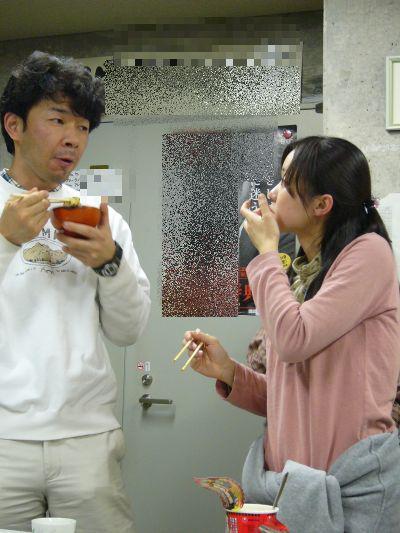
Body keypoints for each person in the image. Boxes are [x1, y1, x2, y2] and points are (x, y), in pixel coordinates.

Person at [184, 136, 400, 531]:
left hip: (350, 485)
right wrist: (228, 371)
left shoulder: (368, 253)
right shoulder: (303, 274)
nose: (273, 193)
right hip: (291, 487)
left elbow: (292, 340)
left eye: (286, 183)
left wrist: (267, 253)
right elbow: (290, 397)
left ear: (321, 205)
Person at [0, 51, 150, 533]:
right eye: (58, 120)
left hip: (87, 436)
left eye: (83, 127)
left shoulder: (103, 219)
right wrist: (5, 242)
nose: (73, 139)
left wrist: (110, 262)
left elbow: (128, 330)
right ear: (14, 126)